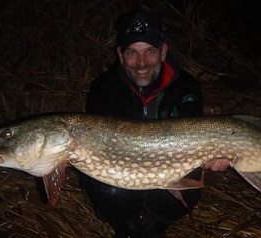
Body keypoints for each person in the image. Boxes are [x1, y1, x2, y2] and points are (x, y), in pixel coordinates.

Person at [81, 9, 229, 238]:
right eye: (132, 52)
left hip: (174, 164)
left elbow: (198, 134)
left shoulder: (186, 86)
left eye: (150, 51)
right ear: (120, 55)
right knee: (108, 190)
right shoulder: (105, 88)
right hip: (124, 170)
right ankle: (127, 227)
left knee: (185, 193)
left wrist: (219, 153)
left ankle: (154, 227)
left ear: (163, 51)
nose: (141, 63)